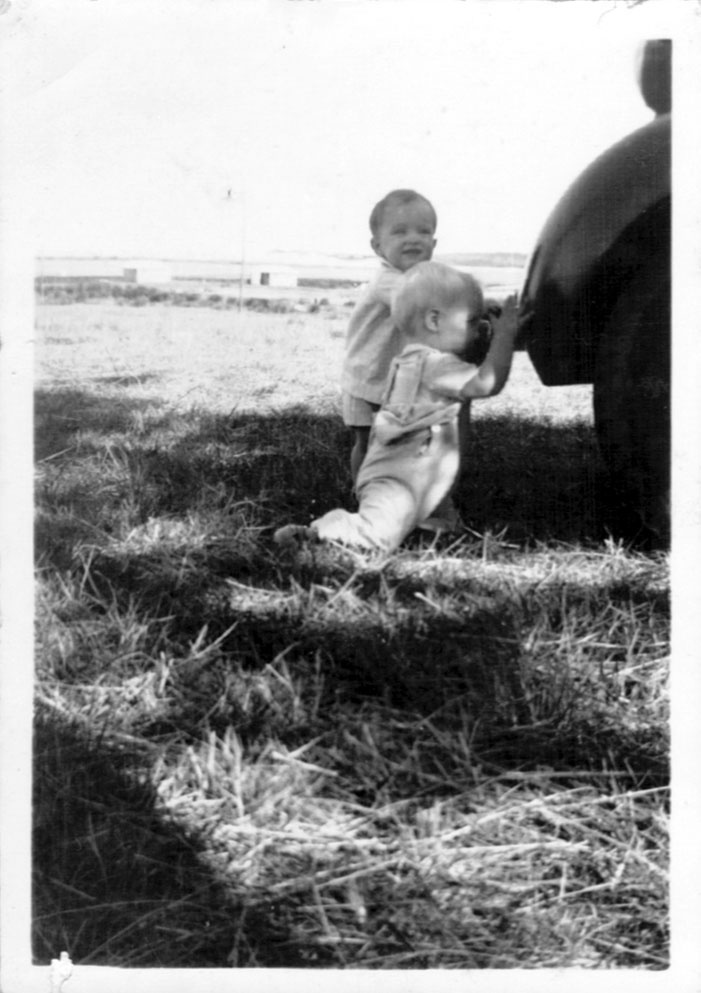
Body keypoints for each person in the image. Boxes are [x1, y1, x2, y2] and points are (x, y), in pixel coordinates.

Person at [275, 261, 518, 553]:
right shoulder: (436, 367)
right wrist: (505, 337)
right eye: (471, 321)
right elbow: (487, 384)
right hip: (400, 480)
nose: (480, 330)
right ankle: (325, 531)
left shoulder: (409, 359)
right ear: (434, 321)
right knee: (378, 536)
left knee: (428, 511)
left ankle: (436, 524)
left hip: (404, 472)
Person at [342, 189, 437, 484]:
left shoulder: (422, 279)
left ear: (434, 243)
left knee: (399, 441)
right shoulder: (388, 280)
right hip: (370, 375)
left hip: (395, 378)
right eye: (400, 231)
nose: (413, 238)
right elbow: (424, 303)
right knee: (368, 441)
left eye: (423, 231)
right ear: (377, 246)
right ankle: (364, 491)